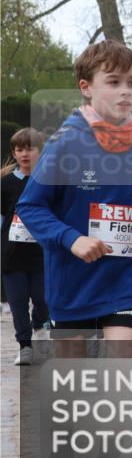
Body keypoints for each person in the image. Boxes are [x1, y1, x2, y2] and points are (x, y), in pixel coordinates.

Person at [17, 39, 132, 458]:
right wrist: (74, 239)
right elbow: (32, 208)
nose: (126, 92)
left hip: (123, 278)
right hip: (71, 278)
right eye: (113, 82)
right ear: (86, 89)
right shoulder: (66, 142)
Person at [1, 127, 48, 365]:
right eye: (19, 149)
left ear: (40, 151)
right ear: (14, 152)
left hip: (41, 255)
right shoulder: (6, 183)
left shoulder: (48, 182)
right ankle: (25, 345)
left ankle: (39, 320)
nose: (24, 154)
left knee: (43, 298)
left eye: (30, 148)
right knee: (17, 300)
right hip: (12, 255)